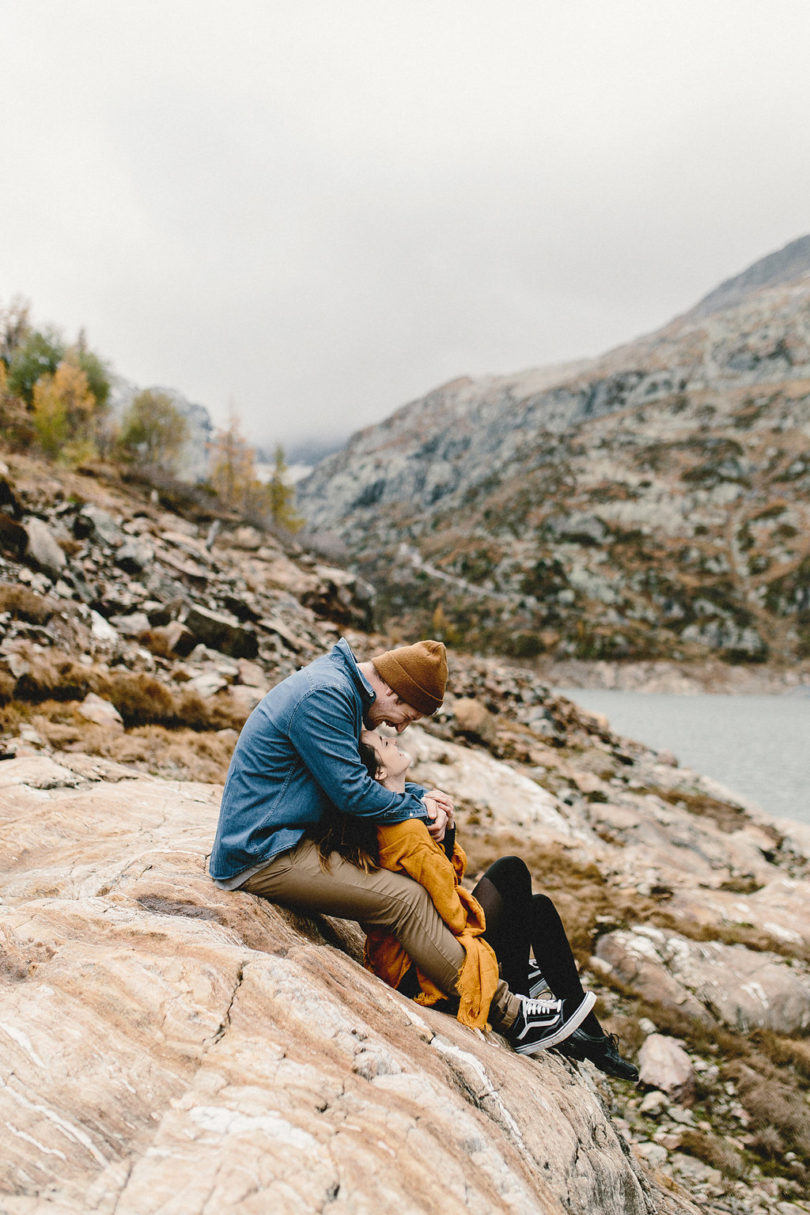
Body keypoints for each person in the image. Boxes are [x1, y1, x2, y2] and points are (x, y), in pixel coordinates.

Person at [209, 637, 592, 1056]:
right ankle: (510, 1015)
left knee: (409, 889)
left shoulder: (341, 689)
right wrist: (421, 810)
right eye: (404, 716)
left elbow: (363, 774)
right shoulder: (326, 694)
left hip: (292, 833)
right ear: (391, 689)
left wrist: (423, 796)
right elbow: (353, 793)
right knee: (405, 898)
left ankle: (493, 974)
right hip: (263, 851)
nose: (399, 729)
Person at [331, 727, 637, 1080]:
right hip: (423, 969)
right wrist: (497, 923)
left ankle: (591, 1037)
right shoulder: (405, 831)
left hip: (422, 948)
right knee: (512, 871)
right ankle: (529, 1007)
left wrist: (446, 830)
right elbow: (452, 912)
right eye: (384, 743)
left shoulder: (400, 815)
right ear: (379, 772)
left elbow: (439, 885)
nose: (394, 740)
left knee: (538, 907)